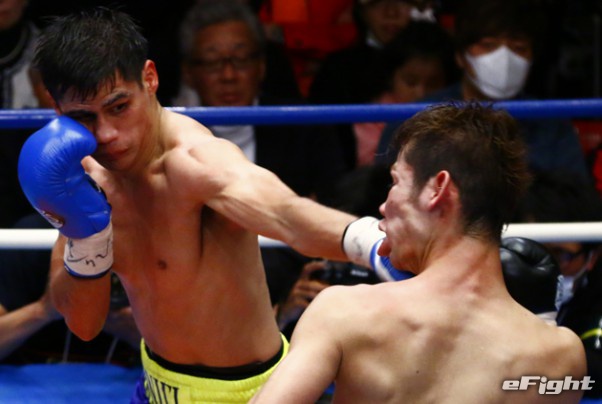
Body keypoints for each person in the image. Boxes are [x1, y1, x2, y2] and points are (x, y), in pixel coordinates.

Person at [19, 7, 391, 402]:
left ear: (149, 78)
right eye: (84, 117)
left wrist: (372, 242)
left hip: (249, 393)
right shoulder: (76, 174)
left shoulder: (195, 162)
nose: (107, 134)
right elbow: (83, 324)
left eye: (118, 107)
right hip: (156, 386)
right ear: (57, 110)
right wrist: (86, 239)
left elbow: (287, 214)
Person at [251, 102, 587, 403]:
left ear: (436, 189)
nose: (383, 206)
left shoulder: (346, 312)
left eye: (396, 182)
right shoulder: (559, 354)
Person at [174, 0, 350, 305]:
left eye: (241, 59)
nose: (229, 74)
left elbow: (334, 208)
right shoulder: (169, 134)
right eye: (213, 62)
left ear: (262, 67)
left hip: (287, 282)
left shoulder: (304, 124)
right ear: (189, 72)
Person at [375, 0, 590, 183]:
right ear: (460, 56)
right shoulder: (415, 118)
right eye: (488, 45)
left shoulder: (551, 122)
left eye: (518, 48)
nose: (504, 58)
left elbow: (575, 200)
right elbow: (383, 192)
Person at [0, 213, 140, 365]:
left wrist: (129, 328)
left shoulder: (145, 240)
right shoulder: (30, 238)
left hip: (125, 369)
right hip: (31, 369)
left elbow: (162, 353)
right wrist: (44, 310)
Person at [514, 170, 602, 399]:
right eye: (534, 249)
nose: (545, 265)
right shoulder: (496, 279)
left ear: (593, 257)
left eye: (559, 254)